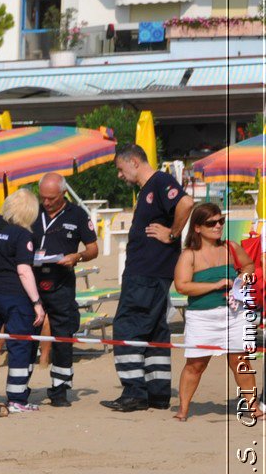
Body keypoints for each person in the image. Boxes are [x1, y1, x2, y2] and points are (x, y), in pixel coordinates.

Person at [105, 143, 194, 412]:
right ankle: (157, 393)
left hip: (146, 272)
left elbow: (186, 202)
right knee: (155, 330)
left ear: (134, 161)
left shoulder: (159, 181)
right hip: (153, 271)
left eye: (121, 169)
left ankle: (134, 392)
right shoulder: (149, 188)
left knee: (127, 327)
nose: (120, 176)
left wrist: (173, 233)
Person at [173, 203, 260, 421]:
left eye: (221, 221)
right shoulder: (189, 255)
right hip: (202, 316)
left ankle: (253, 407)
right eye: (212, 223)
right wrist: (215, 285)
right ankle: (183, 410)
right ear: (198, 228)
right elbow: (182, 286)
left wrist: (242, 279)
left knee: (240, 361)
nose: (218, 226)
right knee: (196, 364)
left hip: (234, 313)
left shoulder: (231, 247)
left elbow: (249, 265)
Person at [0, 190, 45, 414]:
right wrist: (37, 302)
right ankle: (17, 398)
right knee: (19, 345)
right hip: (14, 296)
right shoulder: (22, 234)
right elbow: (24, 271)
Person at [31, 173, 100, 407]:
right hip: (32, 282)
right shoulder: (32, 210)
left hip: (61, 282)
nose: (47, 202)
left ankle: (60, 390)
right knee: (26, 333)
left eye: (51, 198)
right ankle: (20, 387)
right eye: (43, 198)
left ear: (63, 194)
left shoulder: (77, 214)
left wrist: (77, 256)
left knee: (63, 336)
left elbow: (93, 249)